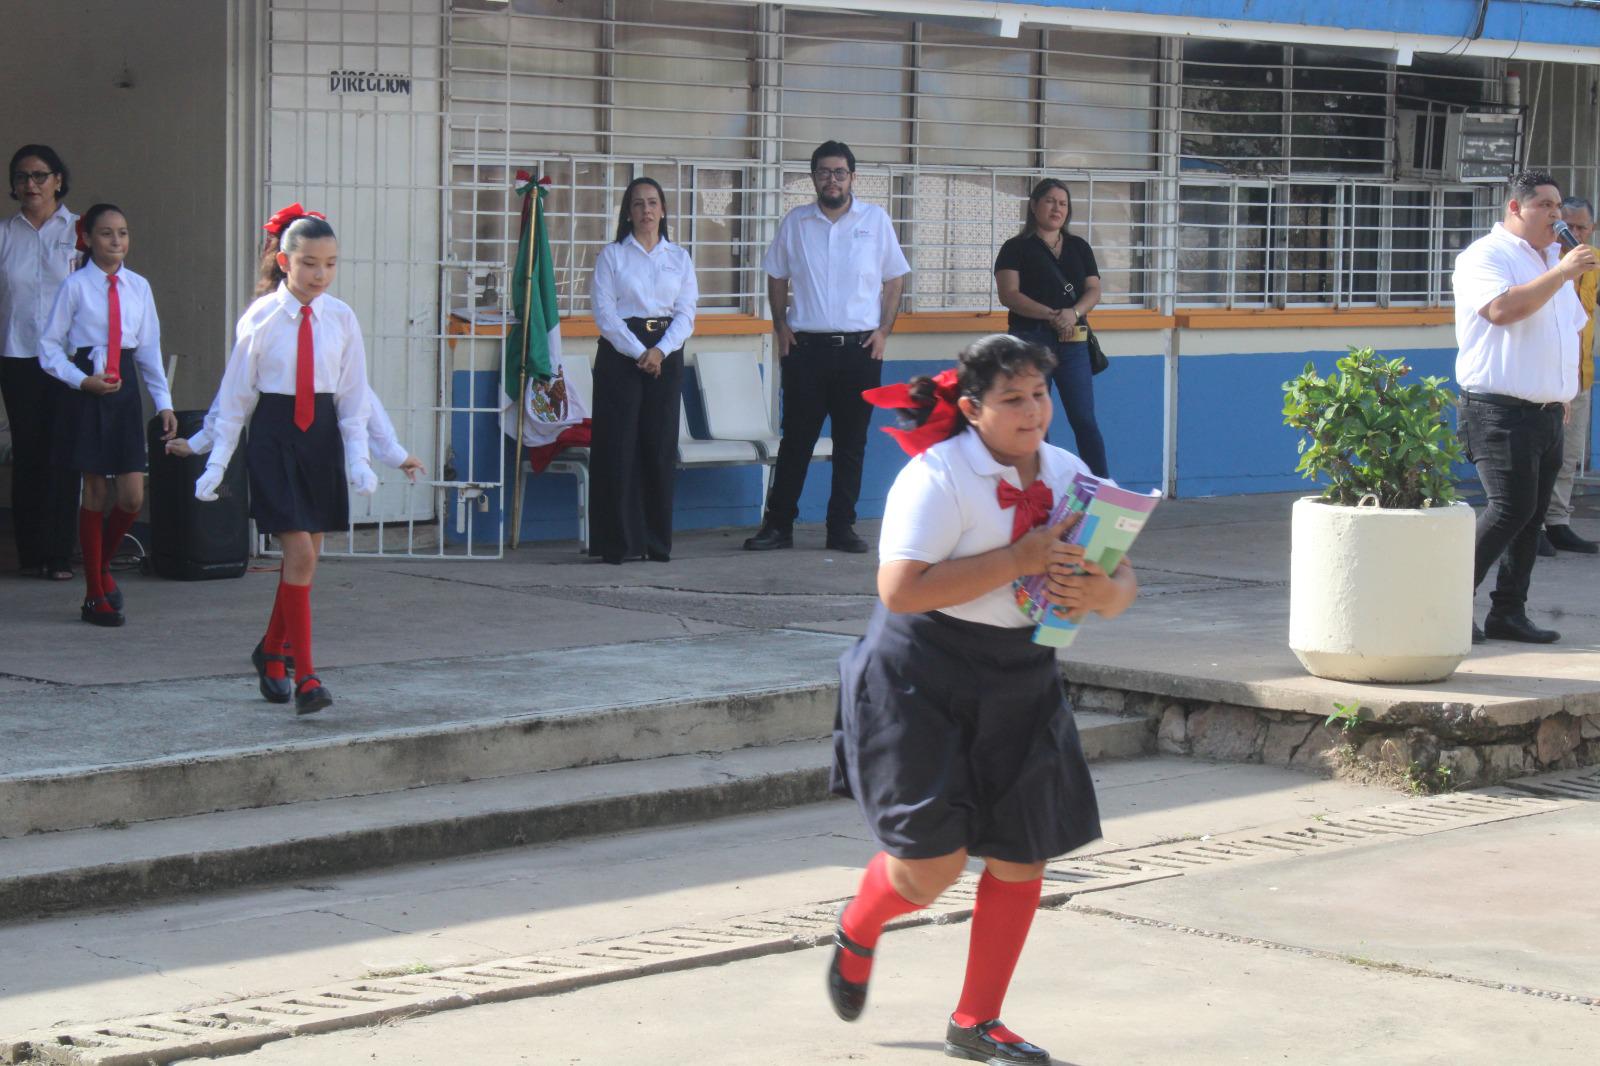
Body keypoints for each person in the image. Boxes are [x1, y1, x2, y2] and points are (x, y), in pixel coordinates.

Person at [827, 334, 1137, 1064]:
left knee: (1023, 855)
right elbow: (900, 591)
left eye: (1040, 395)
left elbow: (1123, 579)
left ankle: (977, 1021)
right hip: (920, 677)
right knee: (930, 871)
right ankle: (861, 924)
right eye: (1013, 400)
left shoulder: (1069, 473)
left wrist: (1103, 594)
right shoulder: (936, 479)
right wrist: (1019, 560)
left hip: (1023, 675)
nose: (1034, 413)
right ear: (972, 409)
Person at [195, 205, 376, 713]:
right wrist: (216, 460)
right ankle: (308, 678)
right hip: (274, 436)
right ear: (283, 261)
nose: (321, 274)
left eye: (331, 264)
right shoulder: (262, 317)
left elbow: (353, 396)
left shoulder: (341, 317)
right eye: (309, 263)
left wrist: (360, 457)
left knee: (309, 557)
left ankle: (272, 652)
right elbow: (235, 398)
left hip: (319, 438)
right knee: (299, 552)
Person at [743, 141, 909, 554]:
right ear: (813, 177)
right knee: (796, 440)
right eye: (823, 172)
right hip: (807, 350)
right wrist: (780, 326)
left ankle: (841, 528)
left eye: (839, 172)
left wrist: (884, 330)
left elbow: (894, 279)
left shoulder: (875, 220)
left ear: (852, 177)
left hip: (860, 350)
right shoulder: (796, 222)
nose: (831, 179)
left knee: (851, 443)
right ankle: (778, 525)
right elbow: (776, 276)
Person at [1453, 170, 1597, 645]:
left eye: (1559, 209)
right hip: (1497, 410)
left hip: (1546, 412)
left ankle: (1508, 613)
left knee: (1532, 517)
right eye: (1545, 207)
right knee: (1509, 509)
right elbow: (1501, 311)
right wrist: (1560, 273)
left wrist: (1561, 393)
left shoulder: (1552, 259)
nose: (1557, 218)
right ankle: (1446, 605)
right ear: (1515, 208)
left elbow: (1567, 331)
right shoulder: (1486, 256)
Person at [38, 203, 177, 625]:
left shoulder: (138, 286)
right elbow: (49, 347)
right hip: (88, 388)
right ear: (87, 238)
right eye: (106, 233)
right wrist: (81, 381)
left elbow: (149, 349)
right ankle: (94, 594)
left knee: (133, 494)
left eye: (123, 232)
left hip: (125, 391)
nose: (116, 241)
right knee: (95, 492)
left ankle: (101, 565)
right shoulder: (76, 287)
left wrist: (164, 402)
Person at [587, 176, 697, 564]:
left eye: (653, 203)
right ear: (628, 212)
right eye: (638, 204)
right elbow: (605, 315)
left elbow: (686, 314)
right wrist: (640, 352)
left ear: (663, 210)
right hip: (622, 354)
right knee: (619, 447)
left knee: (659, 445)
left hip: (665, 354)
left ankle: (655, 542)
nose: (646, 211)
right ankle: (618, 543)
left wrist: (661, 351)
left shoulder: (679, 258)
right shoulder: (612, 256)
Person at [0, 144, 81, 580]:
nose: (30, 184)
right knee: (29, 453)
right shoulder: (5, 233)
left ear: (58, 180)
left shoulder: (80, 230)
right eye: (21, 177)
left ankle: (58, 554)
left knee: (63, 453)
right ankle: (31, 552)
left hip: (66, 360)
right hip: (17, 354)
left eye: (38, 176)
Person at [994, 178, 1108, 477]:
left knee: (1084, 419)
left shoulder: (1079, 247)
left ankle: (1102, 490)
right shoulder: (1015, 247)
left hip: (1073, 343)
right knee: (1035, 422)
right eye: (1050, 201)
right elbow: (1009, 294)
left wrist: (1073, 312)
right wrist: (1052, 315)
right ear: (1034, 206)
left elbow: (1093, 290)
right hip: (1029, 342)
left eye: (1063, 203)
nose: (1057, 208)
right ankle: (1040, 489)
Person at [1540, 195, 1599, 556]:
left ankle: (1558, 523)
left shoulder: (1593, 263)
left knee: (1569, 455)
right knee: (1541, 456)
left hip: (1580, 374)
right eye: (1568, 226)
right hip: (1545, 379)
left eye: (1582, 227)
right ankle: (1532, 529)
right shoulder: (1545, 262)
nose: (1574, 234)